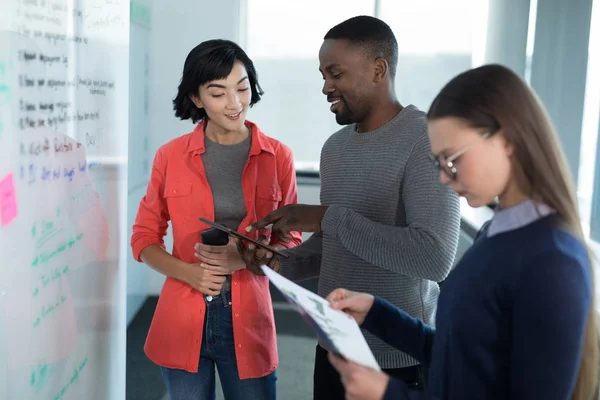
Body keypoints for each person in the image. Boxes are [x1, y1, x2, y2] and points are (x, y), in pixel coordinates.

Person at [324, 64, 600, 400]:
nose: (443, 177)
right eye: (439, 163)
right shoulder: (497, 232)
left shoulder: (553, 260)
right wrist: (378, 314)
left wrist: (387, 394)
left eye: (451, 159)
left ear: (507, 139)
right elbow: (461, 355)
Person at [243, 16, 461, 399]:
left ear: (378, 69)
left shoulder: (424, 139)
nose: (326, 86)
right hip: (333, 346)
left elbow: (435, 257)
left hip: (397, 359)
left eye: (336, 73)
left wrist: (327, 217)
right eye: (323, 74)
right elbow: (334, 245)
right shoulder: (335, 148)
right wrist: (282, 261)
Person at [130, 39, 302, 400]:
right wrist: (189, 272)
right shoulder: (170, 156)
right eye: (218, 92)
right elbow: (144, 238)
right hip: (181, 316)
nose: (235, 103)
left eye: (242, 87)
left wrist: (245, 258)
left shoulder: (278, 157)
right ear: (197, 99)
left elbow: (290, 241)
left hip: (249, 316)